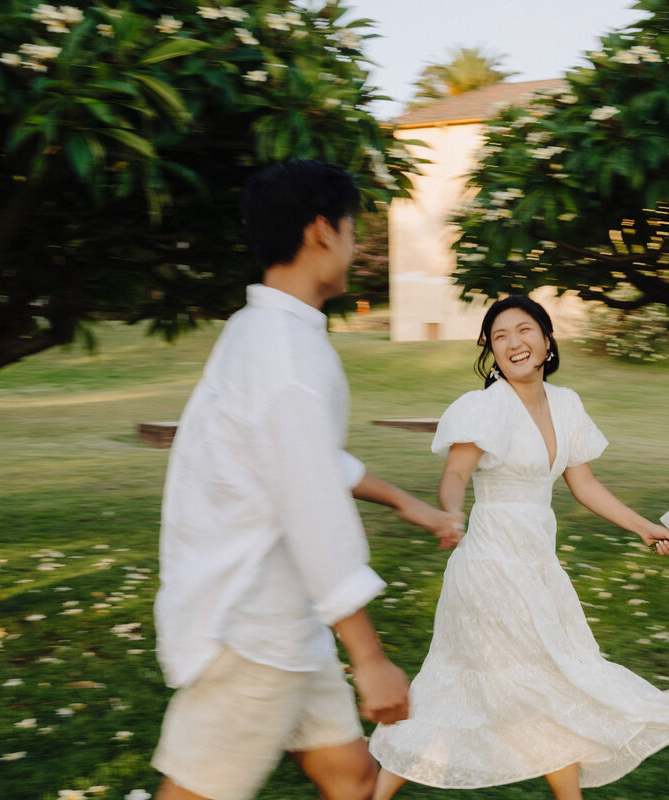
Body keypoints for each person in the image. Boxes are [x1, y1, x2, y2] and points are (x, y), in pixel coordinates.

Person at [151, 160, 463, 800]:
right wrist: (370, 660)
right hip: (252, 627)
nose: (354, 244)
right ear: (323, 230)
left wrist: (406, 503)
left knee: (351, 778)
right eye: (352, 228)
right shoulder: (286, 355)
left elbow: (307, 462)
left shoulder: (261, 332)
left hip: (289, 624)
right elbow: (311, 508)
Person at [368, 295, 669, 800]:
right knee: (511, 683)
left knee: (543, 683)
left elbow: (584, 484)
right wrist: (450, 514)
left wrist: (644, 528)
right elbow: (455, 475)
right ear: (490, 349)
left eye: (524, 330)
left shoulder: (567, 405)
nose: (513, 343)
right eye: (500, 335)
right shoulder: (483, 408)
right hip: (487, 566)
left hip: (536, 567)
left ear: (546, 341)